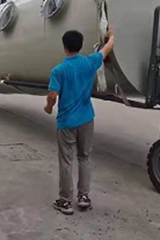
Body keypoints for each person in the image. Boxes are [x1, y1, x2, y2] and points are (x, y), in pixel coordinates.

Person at [45, 28, 115, 215]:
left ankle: (65, 201)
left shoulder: (59, 70)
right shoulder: (90, 62)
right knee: (84, 157)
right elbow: (107, 49)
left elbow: (52, 95)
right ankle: (84, 197)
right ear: (80, 45)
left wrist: (49, 107)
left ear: (64, 47)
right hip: (86, 119)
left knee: (66, 161)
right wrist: (111, 35)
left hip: (67, 122)